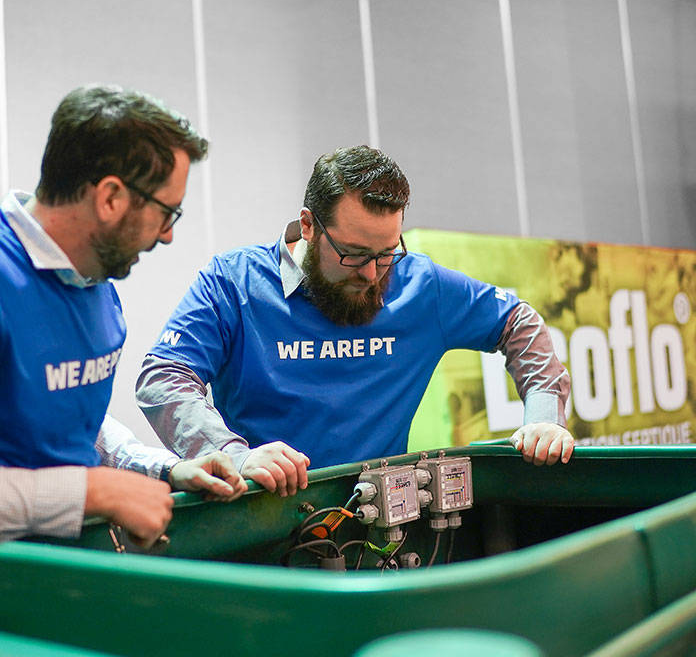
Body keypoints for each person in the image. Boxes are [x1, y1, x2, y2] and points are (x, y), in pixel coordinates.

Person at [137, 146, 575, 497]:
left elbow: (518, 321)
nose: (370, 274)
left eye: (386, 253)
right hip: (263, 518)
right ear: (308, 225)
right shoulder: (233, 283)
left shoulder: (422, 286)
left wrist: (544, 415)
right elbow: (163, 376)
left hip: (384, 526)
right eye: (353, 254)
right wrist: (231, 455)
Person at [0, 85, 247, 546]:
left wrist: (163, 469)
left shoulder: (95, 283)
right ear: (111, 198)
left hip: (66, 575)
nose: (168, 236)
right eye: (166, 212)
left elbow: (70, 423)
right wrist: (89, 491)